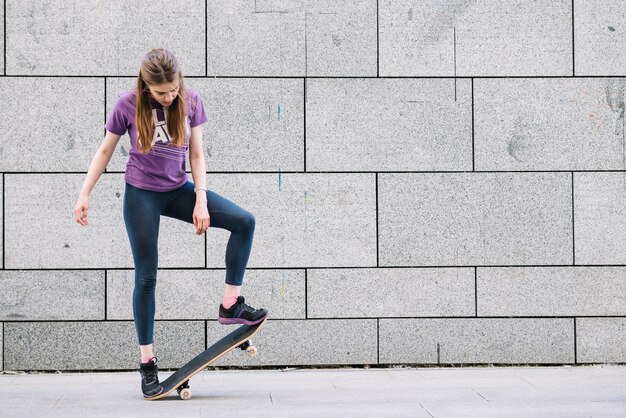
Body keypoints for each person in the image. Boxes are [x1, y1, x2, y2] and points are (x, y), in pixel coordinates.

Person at [73, 48, 268, 398]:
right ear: (146, 86)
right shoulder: (127, 105)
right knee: (147, 276)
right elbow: (104, 151)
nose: (170, 96)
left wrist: (201, 198)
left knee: (244, 221)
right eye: (162, 93)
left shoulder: (191, 101)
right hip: (141, 196)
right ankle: (147, 364)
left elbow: (196, 154)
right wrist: (84, 193)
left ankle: (230, 306)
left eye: (174, 89)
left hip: (178, 189)